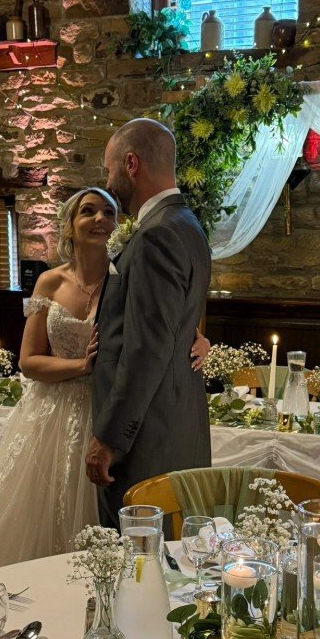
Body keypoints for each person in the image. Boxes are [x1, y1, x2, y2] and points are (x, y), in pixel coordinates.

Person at [0, 187, 209, 592]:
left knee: (99, 517)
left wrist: (201, 340)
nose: (100, 219)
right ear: (70, 225)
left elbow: (164, 329)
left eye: (109, 212)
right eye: (88, 211)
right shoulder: (49, 282)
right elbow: (29, 361)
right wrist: (83, 365)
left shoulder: (128, 276)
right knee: (38, 515)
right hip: (54, 413)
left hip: (106, 412)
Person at [86, 118, 212, 529]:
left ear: (131, 163)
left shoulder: (157, 235)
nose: (108, 180)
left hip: (145, 440)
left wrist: (109, 439)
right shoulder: (187, 226)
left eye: (109, 170)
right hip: (174, 425)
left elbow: (146, 349)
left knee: (136, 562)